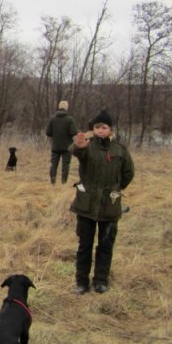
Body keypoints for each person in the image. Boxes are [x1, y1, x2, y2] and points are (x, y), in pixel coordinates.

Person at [69, 109, 135, 294]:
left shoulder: (119, 149)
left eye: (104, 127)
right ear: (93, 129)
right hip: (86, 205)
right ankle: (81, 283)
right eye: (97, 127)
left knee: (105, 245)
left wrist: (115, 188)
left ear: (110, 129)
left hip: (110, 205)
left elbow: (129, 173)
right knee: (85, 246)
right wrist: (80, 146)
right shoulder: (87, 146)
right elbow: (74, 151)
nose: (100, 130)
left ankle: (100, 281)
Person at [46, 100, 79, 184]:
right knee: (66, 165)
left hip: (55, 146)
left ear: (59, 107)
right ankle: (63, 182)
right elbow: (73, 132)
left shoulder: (52, 119)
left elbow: (48, 133)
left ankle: (52, 182)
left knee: (54, 164)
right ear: (66, 108)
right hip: (67, 147)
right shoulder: (70, 120)